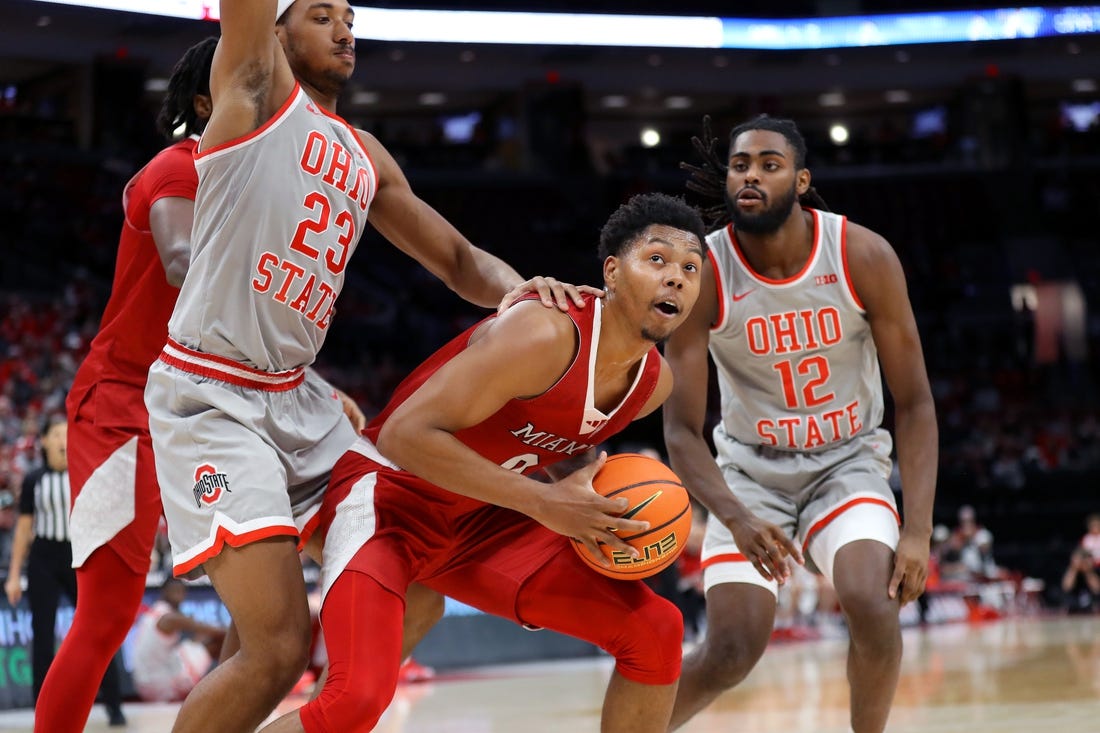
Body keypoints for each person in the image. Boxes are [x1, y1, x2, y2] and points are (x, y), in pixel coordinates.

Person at [145, 2, 595, 732]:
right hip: (212, 393)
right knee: (278, 645)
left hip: (297, 397)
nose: (346, 29)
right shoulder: (254, 93)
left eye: (350, 16)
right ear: (278, 33)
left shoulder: (365, 153)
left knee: (413, 589)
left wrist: (523, 295)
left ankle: (322, 712)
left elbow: (456, 259)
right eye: (321, 15)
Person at [260, 192, 707, 733]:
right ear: (611, 272)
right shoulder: (543, 332)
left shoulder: (652, 385)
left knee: (656, 629)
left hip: (481, 520)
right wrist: (546, 503)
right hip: (389, 501)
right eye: (656, 260)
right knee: (352, 703)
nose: (676, 278)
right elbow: (404, 435)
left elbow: (549, 444)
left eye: (690, 268)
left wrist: (593, 499)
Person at [663, 114, 938, 733]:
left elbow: (915, 401)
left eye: (769, 164)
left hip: (848, 462)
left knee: (872, 602)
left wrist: (917, 530)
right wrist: (734, 515)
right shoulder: (703, 273)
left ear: (801, 179)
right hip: (749, 476)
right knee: (733, 649)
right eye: (740, 165)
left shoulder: (861, 255)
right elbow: (680, 429)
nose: (751, 176)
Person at [31, 38, 219, 733]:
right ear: (207, 101)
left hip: (194, 407)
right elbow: (178, 258)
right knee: (107, 613)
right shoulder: (181, 165)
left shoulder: (244, 178)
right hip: (120, 409)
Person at [4, 415, 126, 726]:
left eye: (66, 434)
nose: (63, 440)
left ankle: (114, 704)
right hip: (44, 557)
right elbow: (24, 528)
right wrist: (15, 574)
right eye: (56, 434)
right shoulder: (34, 480)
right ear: (43, 441)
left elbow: (106, 518)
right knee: (42, 635)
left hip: (81, 554)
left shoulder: (86, 473)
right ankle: (41, 709)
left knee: (98, 629)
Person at [132, 578, 228, 702]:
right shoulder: (169, 617)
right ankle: (230, 688)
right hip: (159, 685)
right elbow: (213, 631)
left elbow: (198, 636)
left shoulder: (156, 611)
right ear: (164, 592)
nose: (179, 594)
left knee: (200, 642)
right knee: (215, 642)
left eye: (181, 590)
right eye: (175, 590)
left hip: (146, 682)